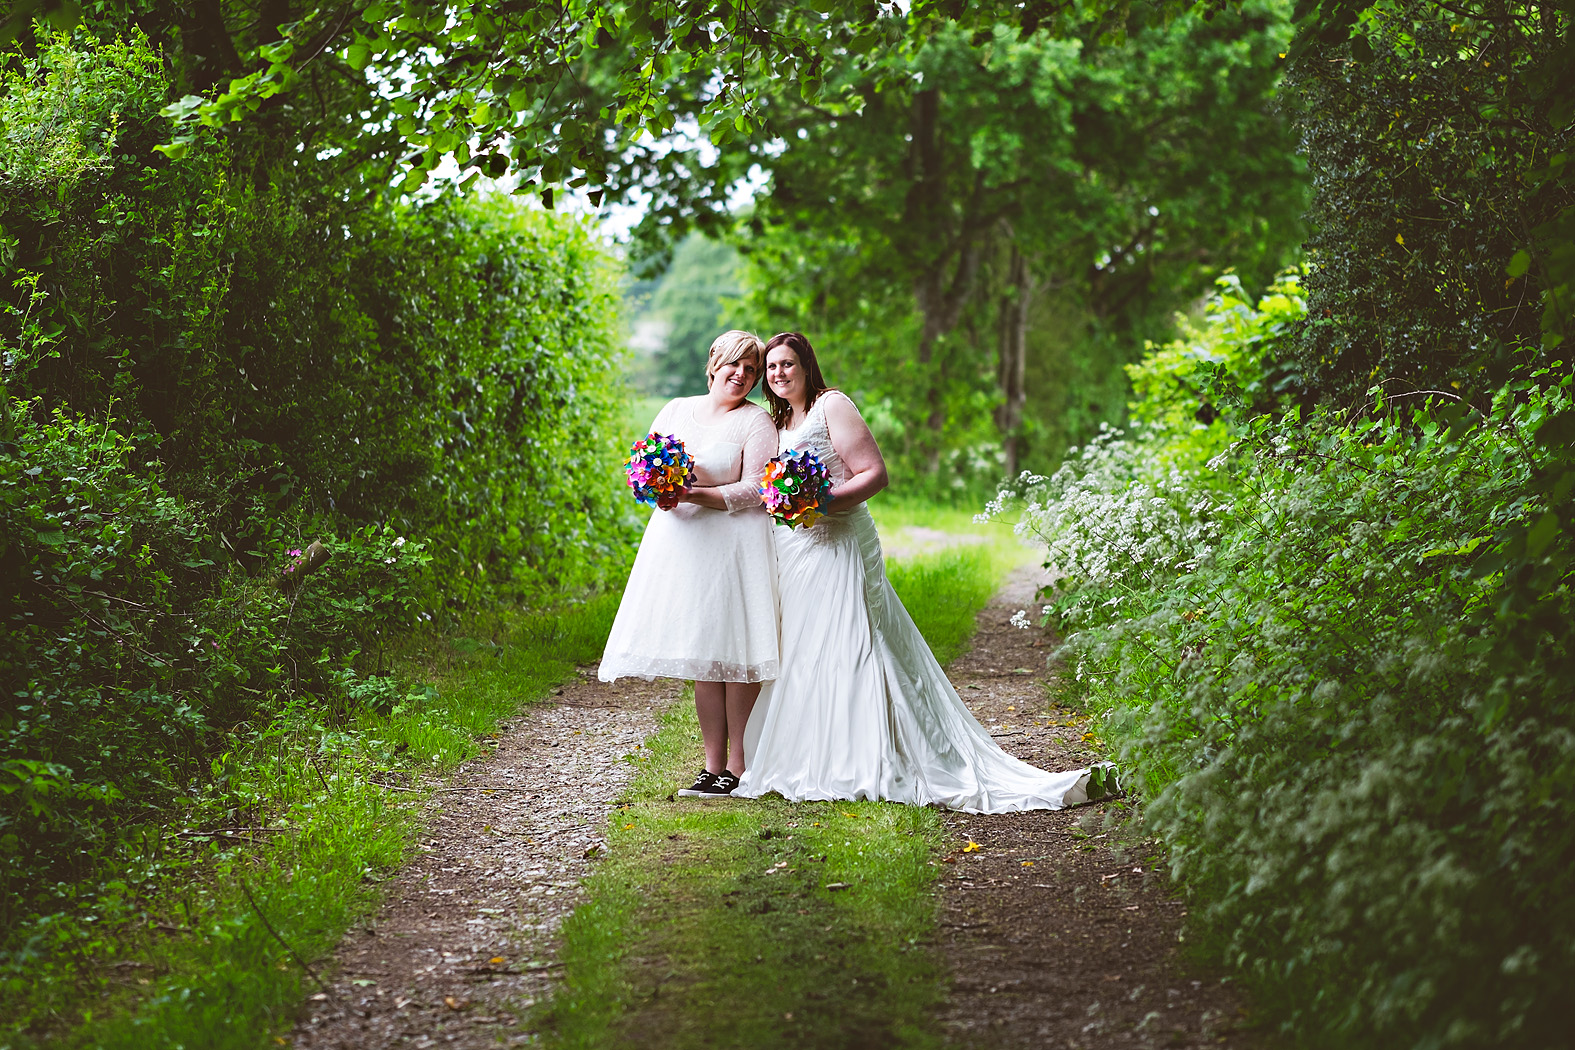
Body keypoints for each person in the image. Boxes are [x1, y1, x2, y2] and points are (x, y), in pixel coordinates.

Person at [735, 332, 1098, 812]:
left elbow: (874, 473)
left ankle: (873, 753)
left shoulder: (831, 406)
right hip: (797, 545)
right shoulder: (778, 421)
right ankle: (812, 751)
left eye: (787, 364)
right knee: (806, 642)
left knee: (854, 638)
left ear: (806, 366)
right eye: (772, 367)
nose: (779, 373)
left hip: (841, 540)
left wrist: (822, 502)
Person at [600, 331, 780, 799]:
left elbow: (757, 489)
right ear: (714, 363)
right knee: (705, 655)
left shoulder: (756, 422)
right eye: (734, 364)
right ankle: (711, 764)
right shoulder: (677, 410)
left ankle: (738, 765)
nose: (741, 375)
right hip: (685, 547)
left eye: (751, 370)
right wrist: (656, 489)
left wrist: (692, 493)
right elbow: (643, 467)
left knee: (736, 655)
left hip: (735, 545)